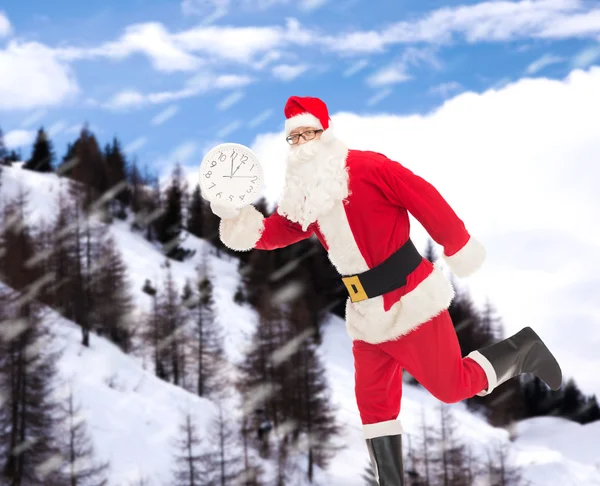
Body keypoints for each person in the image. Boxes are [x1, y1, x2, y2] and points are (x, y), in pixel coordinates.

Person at [209, 96, 562, 485]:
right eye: (293, 138)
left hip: (411, 300)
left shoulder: (368, 167)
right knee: (374, 408)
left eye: (308, 133)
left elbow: (422, 197)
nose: (301, 143)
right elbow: (280, 230)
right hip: (365, 314)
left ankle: (523, 350)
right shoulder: (306, 196)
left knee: (452, 386)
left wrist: (456, 243)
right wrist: (235, 216)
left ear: (325, 133)